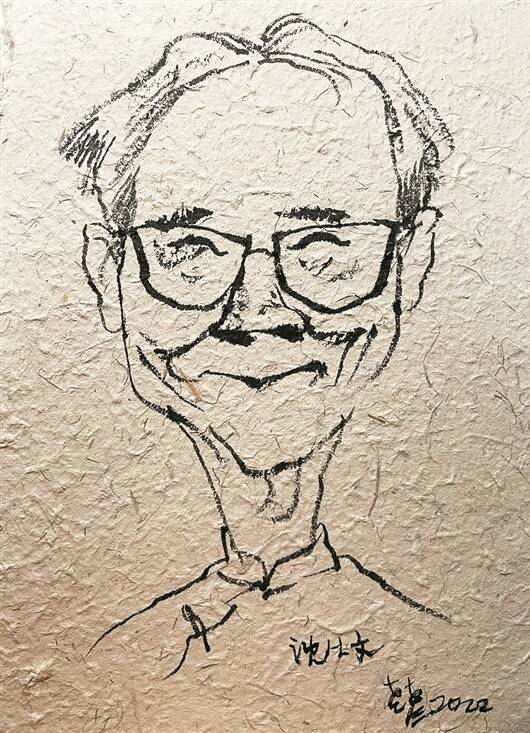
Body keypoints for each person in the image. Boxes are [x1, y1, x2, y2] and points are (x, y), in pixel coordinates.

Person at [60, 13, 454, 677]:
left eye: (325, 247)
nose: (256, 312)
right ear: (108, 276)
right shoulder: (87, 665)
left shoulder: (462, 655)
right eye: (189, 248)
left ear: (410, 266)